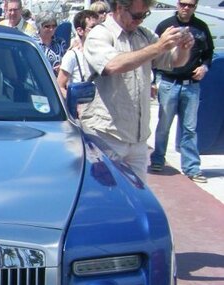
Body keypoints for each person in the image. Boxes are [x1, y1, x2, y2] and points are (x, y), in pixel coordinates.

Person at [81, 0, 194, 182]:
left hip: (138, 137)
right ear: (120, 8)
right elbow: (112, 65)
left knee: (138, 197)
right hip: (107, 134)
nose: (140, 20)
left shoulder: (144, 35)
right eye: (136, 15)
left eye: (144, 15)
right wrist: (157, 47)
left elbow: (173, 61)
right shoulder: (100, 35)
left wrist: (183, 48)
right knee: (108, 194)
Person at [150, 0, 213, 183]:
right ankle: (158, 160)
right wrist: (153, 81)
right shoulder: (165, 26)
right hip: (169, 82)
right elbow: (154, 53)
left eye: (190, 5)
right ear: (177, 4)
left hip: (191, 85)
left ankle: (192, 168)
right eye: (183, 4)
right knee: (164, 125)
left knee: (190, 128)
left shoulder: (201, 28)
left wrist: (205, 68)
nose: (186, 8)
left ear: (195, 7)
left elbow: (209, 53)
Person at [57, 10, 99, 97]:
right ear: (80, 31)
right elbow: (59, 86)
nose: (98, 31)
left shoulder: (103, 53)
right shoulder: (72, 56)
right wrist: (75, 104)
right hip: (84, 107)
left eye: (99, 27)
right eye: (93, 27)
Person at [34, 11, 68, 75]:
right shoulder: (33, 44)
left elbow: (66, 62)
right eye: (47, 26)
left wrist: (62, 67)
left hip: (57, 81)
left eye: (54, 26)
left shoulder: (60, 42)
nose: (51, 29)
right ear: (39, 27)